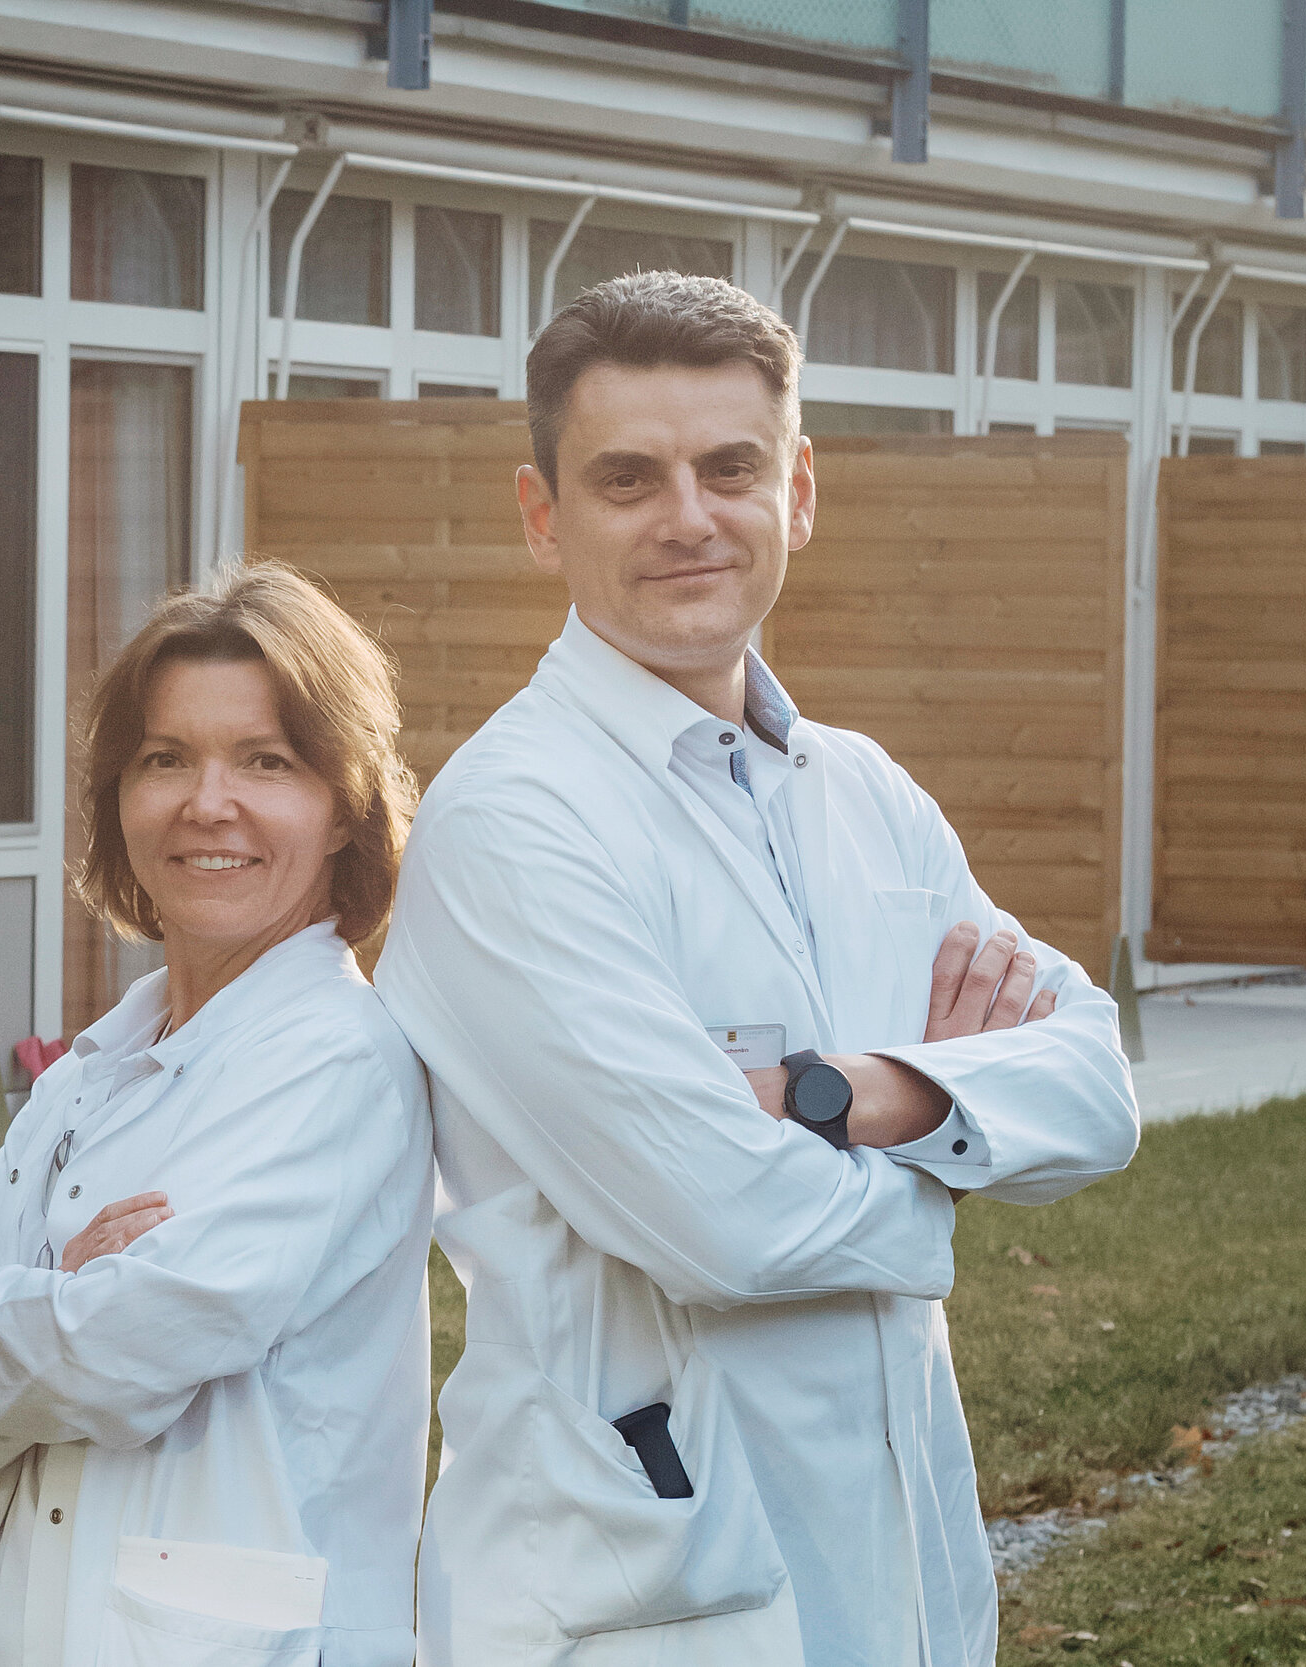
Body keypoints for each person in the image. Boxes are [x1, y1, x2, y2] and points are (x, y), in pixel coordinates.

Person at [376, 271, 1140, 1667]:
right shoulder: (513, 821)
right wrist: (954, 1169)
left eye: (730, 468)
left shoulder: (863, 792)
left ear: (796, 491)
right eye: (627, 478)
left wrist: (849, 1095)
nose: (687, 517)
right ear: (543, 517)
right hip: (639, 1600)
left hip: (905, 1578)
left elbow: (1097, 1083)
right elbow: (725, 1223)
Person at [0, 563, 433, 1667]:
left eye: (267, 761)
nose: (206, 802)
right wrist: (58, 1302)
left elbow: (127, 1352)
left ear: (342, 810)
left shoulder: (338, 1062)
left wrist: (16, 1314)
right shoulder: (95, 1067)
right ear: (117, 799)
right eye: (164, 758)